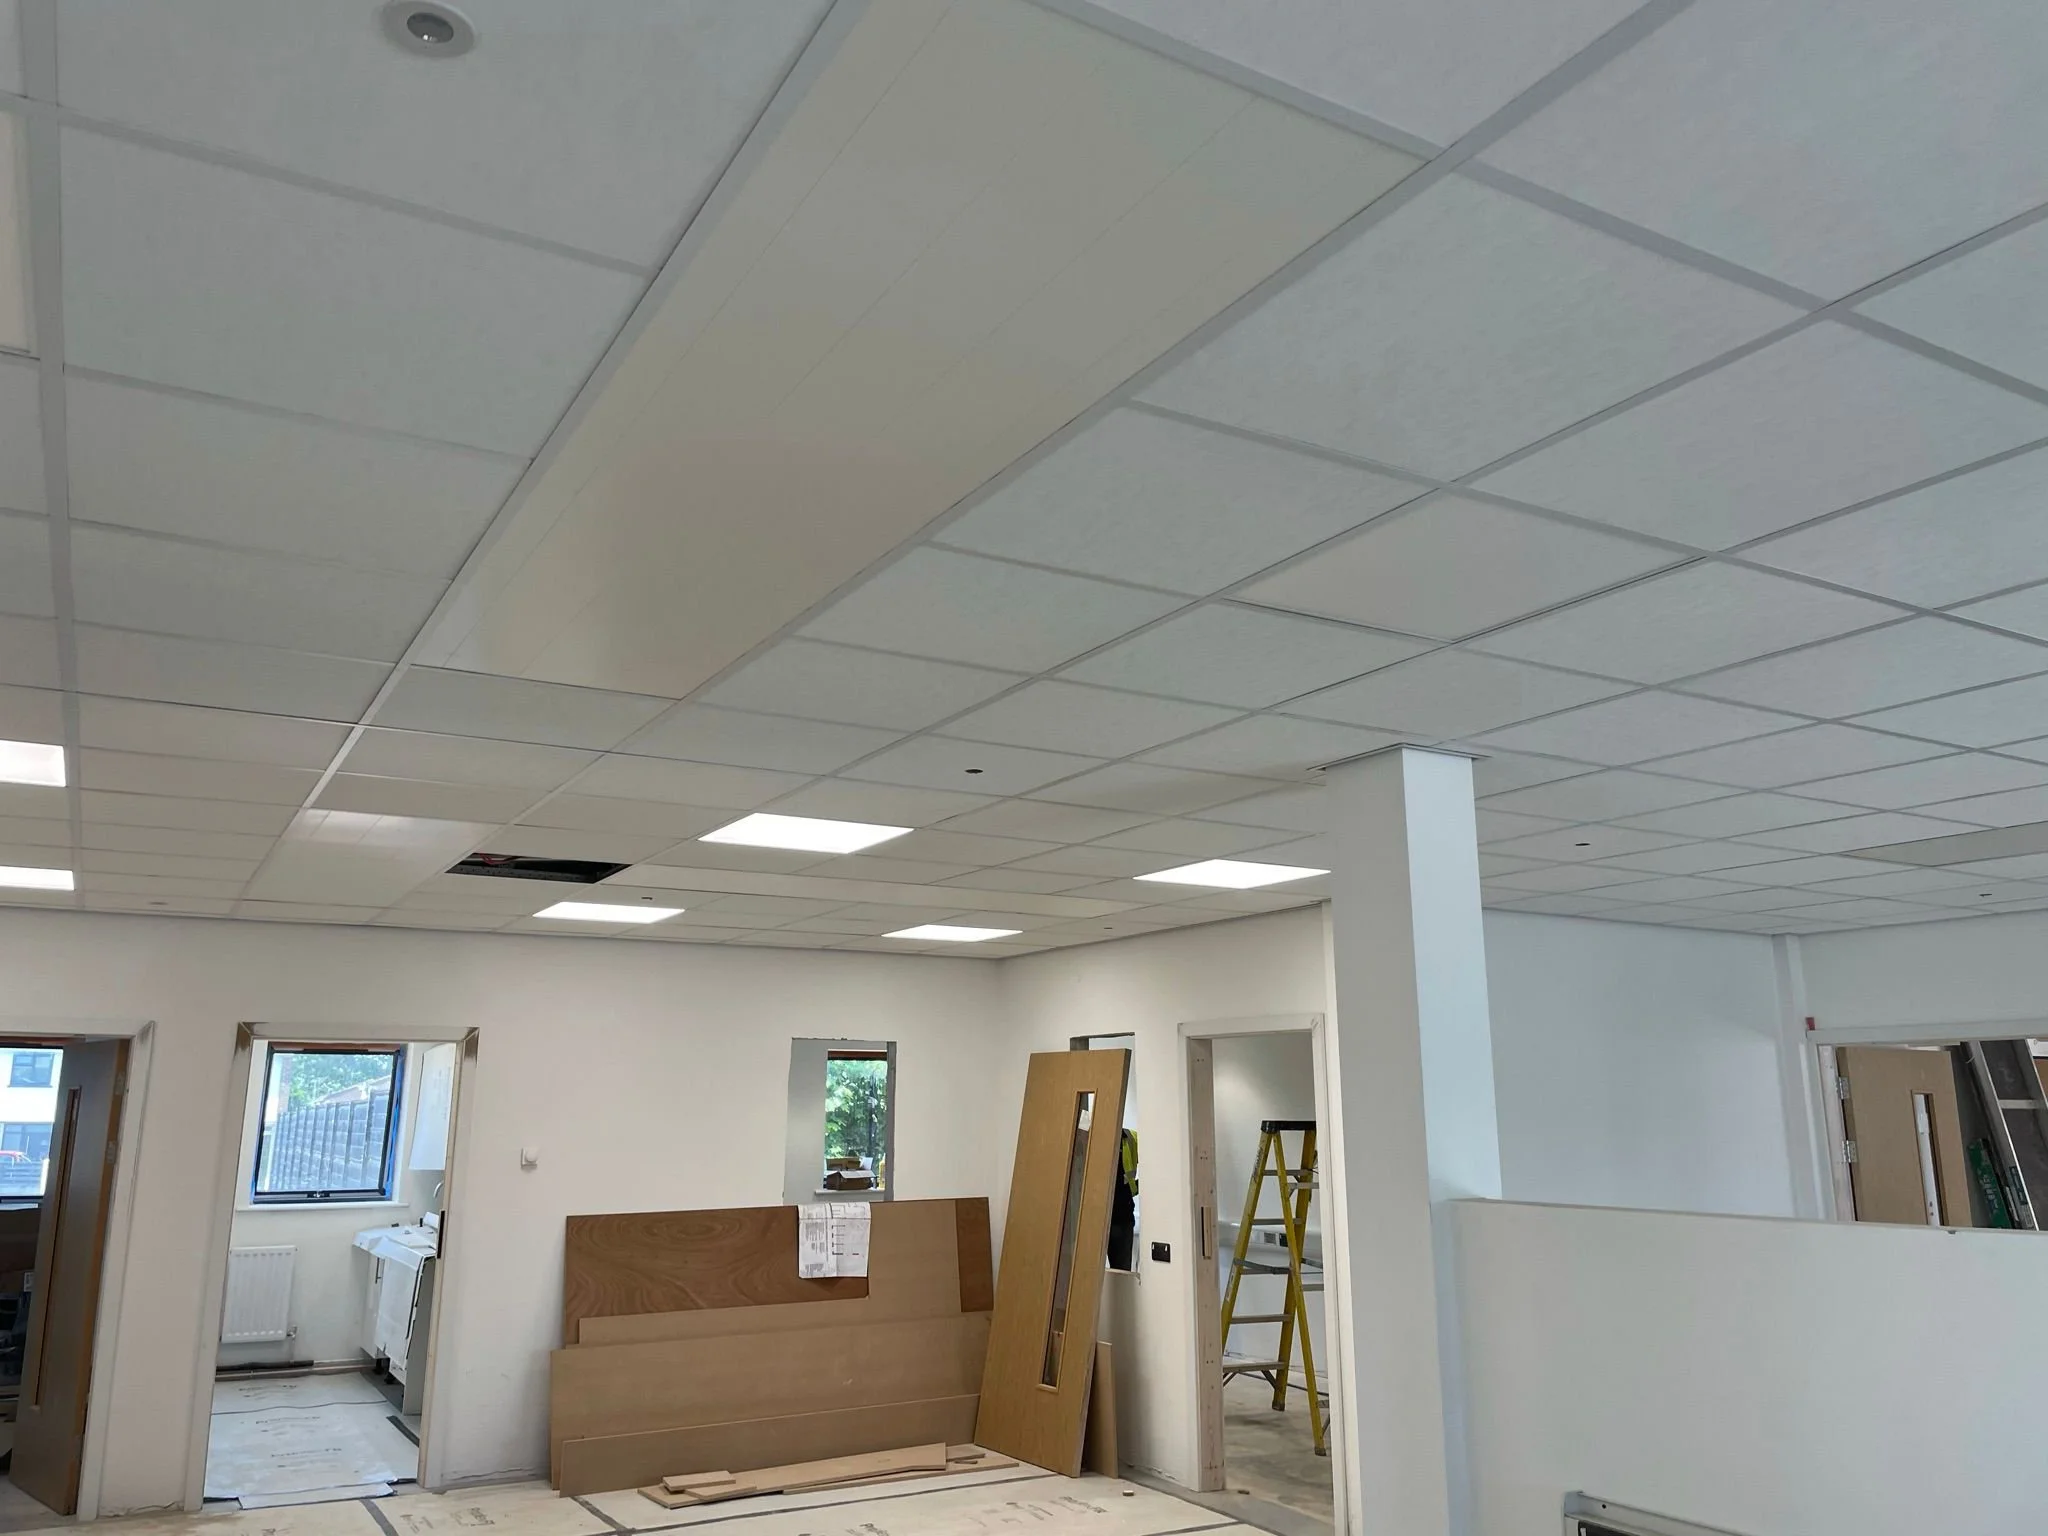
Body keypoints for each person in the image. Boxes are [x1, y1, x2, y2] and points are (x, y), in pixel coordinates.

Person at [1107, 1127, 1138, 1270]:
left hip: (1122, 1217)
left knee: (1121, 1273)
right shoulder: (1090, 1136)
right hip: (1095, 1217)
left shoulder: (1131, 1138)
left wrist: (1135, 1187)